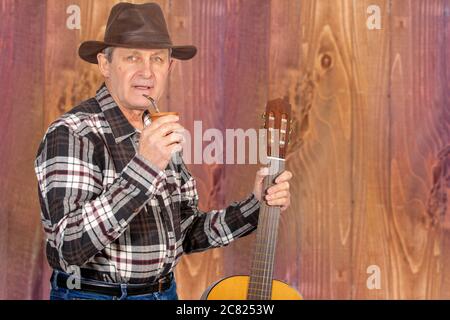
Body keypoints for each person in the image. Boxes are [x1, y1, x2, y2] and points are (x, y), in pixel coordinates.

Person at [34, 2, 292, 300]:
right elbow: (69, 247)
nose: (147, 72)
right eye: (132, 57)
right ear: (105, 64)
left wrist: (257, 204)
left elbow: (186, 233)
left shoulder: (158, 131)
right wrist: (145, 167)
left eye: (157, 59)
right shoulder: (72, 133)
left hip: (163, 293)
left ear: (169, 66)